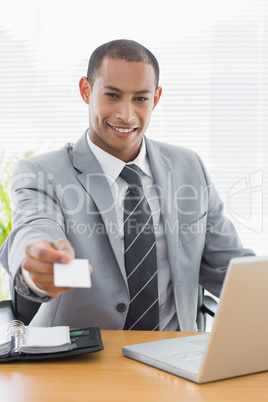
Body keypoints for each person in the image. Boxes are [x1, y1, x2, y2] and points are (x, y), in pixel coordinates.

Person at [0, 39, 254, 331]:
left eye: (140, 99)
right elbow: (34, 226)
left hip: (175, 356)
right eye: (112, 95)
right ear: (86, 91)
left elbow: (230, 268)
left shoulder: (189, 166)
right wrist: (37, 265)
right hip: (80, 359)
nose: (126, 114)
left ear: (155, 99)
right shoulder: (42, 172)